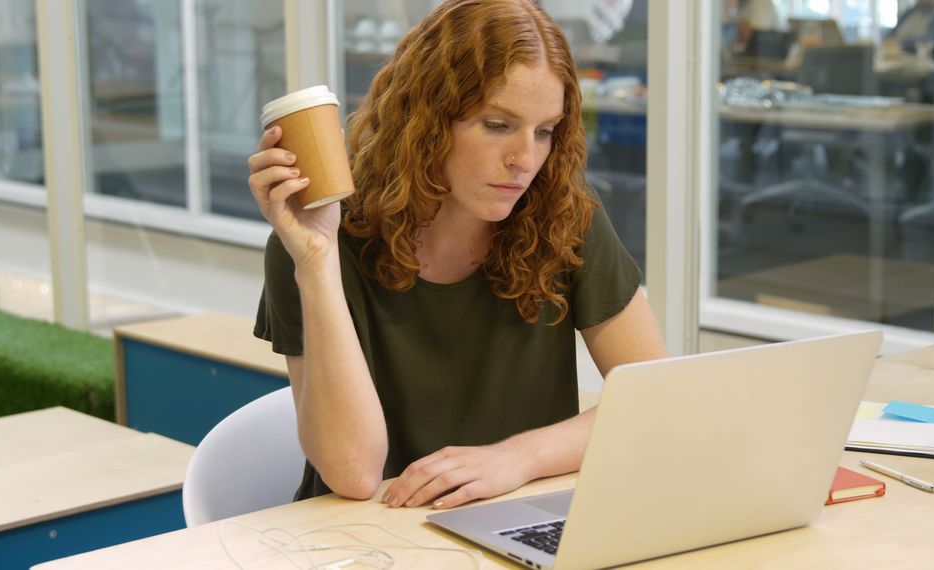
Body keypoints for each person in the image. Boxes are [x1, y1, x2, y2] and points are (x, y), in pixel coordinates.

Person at [247, 0, 667, 510]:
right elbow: (354, 474)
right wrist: (316, 261)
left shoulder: (565, 217)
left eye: (544, 131)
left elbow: (656, 400)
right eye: (496, 125)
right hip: (370, 534)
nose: (525, 160)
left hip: (516, 515)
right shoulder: (316, 241)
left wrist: (518, 458)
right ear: (425, 117)